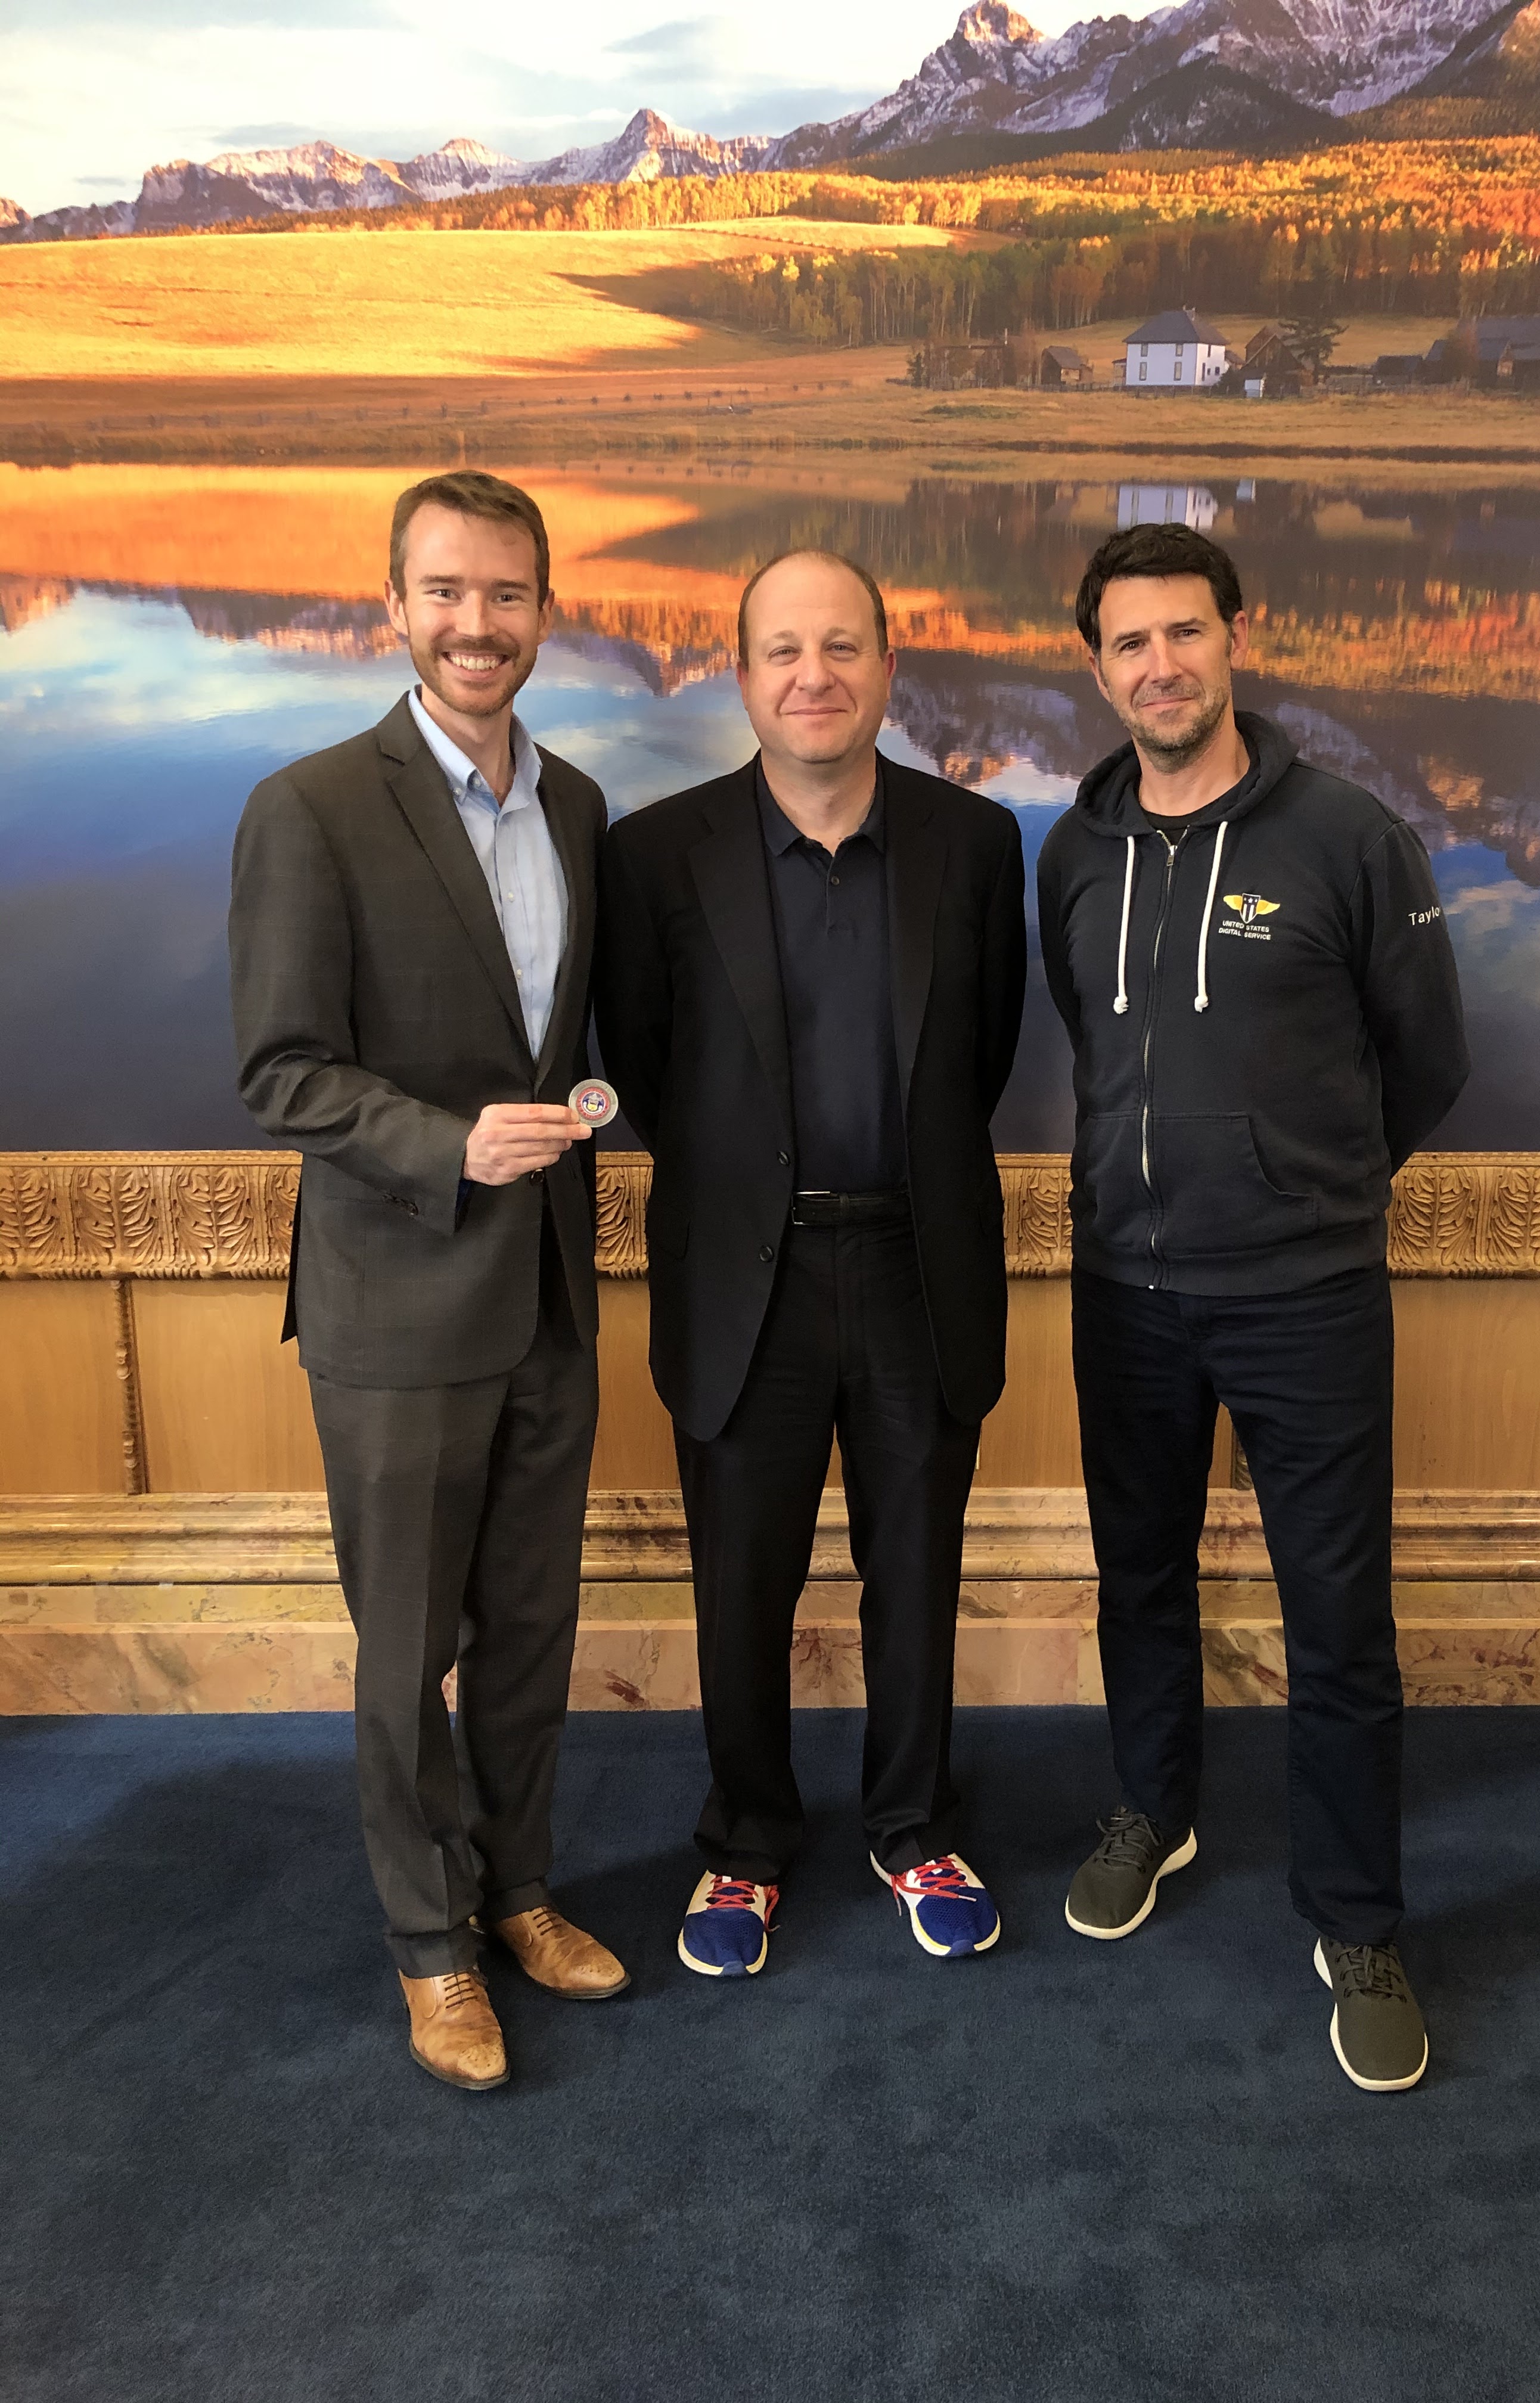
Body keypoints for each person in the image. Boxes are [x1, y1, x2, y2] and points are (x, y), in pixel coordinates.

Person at [1037, 521, 1468, 2092]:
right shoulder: (1073, 854)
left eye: (1185, 632)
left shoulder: (1349, 837)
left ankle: (1355, 1919)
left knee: (1338, 1619)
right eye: (1129, 642)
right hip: (1125, 1293)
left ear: (1236, 638)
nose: (1160, 665)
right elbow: (1093, 1042)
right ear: (1098, 668)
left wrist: (1303, 1190)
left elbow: (1429, 1063)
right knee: (1138, 1575)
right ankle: (1154, 1809)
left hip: (1307, 1299)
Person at [229, 470, 626, 2092]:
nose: (478, 624)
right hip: (396, 1307)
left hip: (549, 1301)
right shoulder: (311, 807)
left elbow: (569, 1041)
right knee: (405, 1655)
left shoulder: (580, 806)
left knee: (530, 1631)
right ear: (394, 604)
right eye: (447, 592)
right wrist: (448, 1146)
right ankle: (428, 1946)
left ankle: (518, 1892)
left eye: (507, 593)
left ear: (546, 608)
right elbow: (281, 1070)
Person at [600, 549, 1026, 1977]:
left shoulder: (976, 845)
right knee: (743, 1583)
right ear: (741, 676)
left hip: (918, 1261)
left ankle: (914, 1830)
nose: (814, 676)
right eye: (783, 650)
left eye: (843, 647)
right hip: (745, 1276)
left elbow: (980, 1058)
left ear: (890, 667)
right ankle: (745, 1843)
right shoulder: (656, 857)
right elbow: (648, 1072)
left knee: (918, 1570)